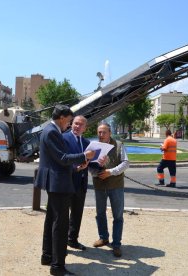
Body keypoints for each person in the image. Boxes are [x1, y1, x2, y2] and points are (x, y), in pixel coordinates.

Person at [35, 105, 95, 276]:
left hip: (56, 181)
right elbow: (62, 158)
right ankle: (57, 266)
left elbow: (56, 161)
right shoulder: (52, 132)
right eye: (69, 121)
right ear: (62, 117)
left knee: (51, 221)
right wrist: (85, 156)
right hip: (58, 184)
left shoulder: (49, 130)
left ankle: (47, 256)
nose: (69, 125)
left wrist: (76, 168)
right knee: (60, 225)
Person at [89, 122, 129, 258]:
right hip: (99, 186)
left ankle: (116, 244)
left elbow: (125, 163)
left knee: (118, 216)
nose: (101, 135)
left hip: (115, 185)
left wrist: (110, 172)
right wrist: (96, 171)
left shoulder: (118, 145)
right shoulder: (94, 147)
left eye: (104, 132)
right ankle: (103, 237)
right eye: (99, 132)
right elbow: (89, 166)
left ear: (110, 133)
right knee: (100, 213)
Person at [62, 115, 90, 251]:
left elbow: (92, 161)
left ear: (85, 128)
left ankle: (72, 240)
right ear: (71, 124)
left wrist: (102, 161)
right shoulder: (63, 138)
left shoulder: (86, 143)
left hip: (81, 182)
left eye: (80, 124)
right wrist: (76, 168)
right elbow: (61, 160)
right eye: (75, 123)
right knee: (62, 215)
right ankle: (60, 243)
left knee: (77, 214)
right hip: (67, 182)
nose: (77, 126)